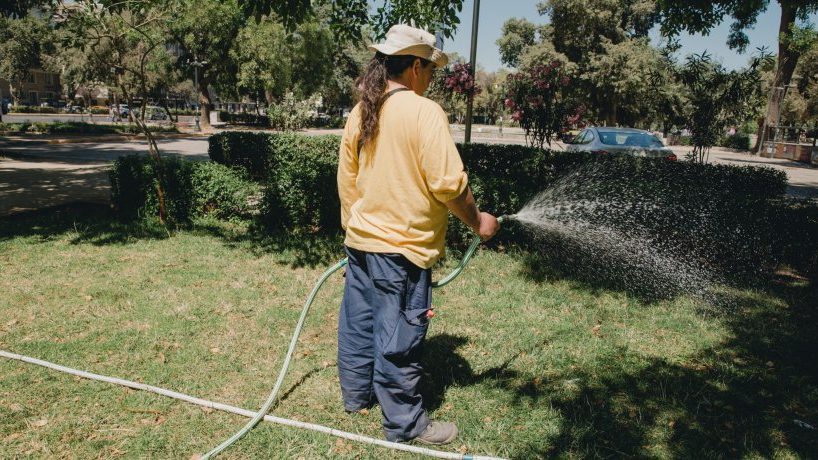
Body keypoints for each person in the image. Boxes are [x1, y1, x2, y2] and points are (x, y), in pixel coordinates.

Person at [336, 24, 500, 446]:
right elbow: (449, 184)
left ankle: (356, 396)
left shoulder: (361, 110)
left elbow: (347, 180)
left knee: (359, 324)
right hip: (402, 250)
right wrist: (479, 222)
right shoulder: (424, 112)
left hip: (361, 244)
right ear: (413, 67)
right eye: (429, 70)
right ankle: (406, 423)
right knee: (399, 339)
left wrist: (354, 230)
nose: (431, 78)